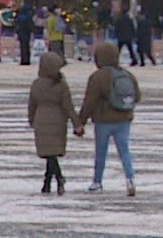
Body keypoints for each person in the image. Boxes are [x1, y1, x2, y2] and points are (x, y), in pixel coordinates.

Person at [76, 40, 141, 196]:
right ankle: (130, 179)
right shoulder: (127, 75)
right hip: (124, 119)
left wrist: (81, 122)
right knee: (124, 150)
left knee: (101, 152)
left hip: (103, 120)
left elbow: (89, 102)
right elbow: (137, 96)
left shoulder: (98, 77)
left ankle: (97, 182)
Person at [28, 50, 76, 195]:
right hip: (58, 120)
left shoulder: (36, 84)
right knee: (52, 152)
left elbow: (32, 104)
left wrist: (31, 119)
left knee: (49, 153)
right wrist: (76, 122)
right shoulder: (61, 85)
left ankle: (48, 182)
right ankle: (57, 179)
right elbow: (68, 106)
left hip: (41, 119)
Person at [15, 0, 34, 66]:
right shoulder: (28, 16)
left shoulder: (20, 16)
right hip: (27, 33)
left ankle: (23, 60)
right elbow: (30, 25)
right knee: (27, 47)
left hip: (21, 33)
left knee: (22, 47)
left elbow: (17, 24)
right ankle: (27, 60)